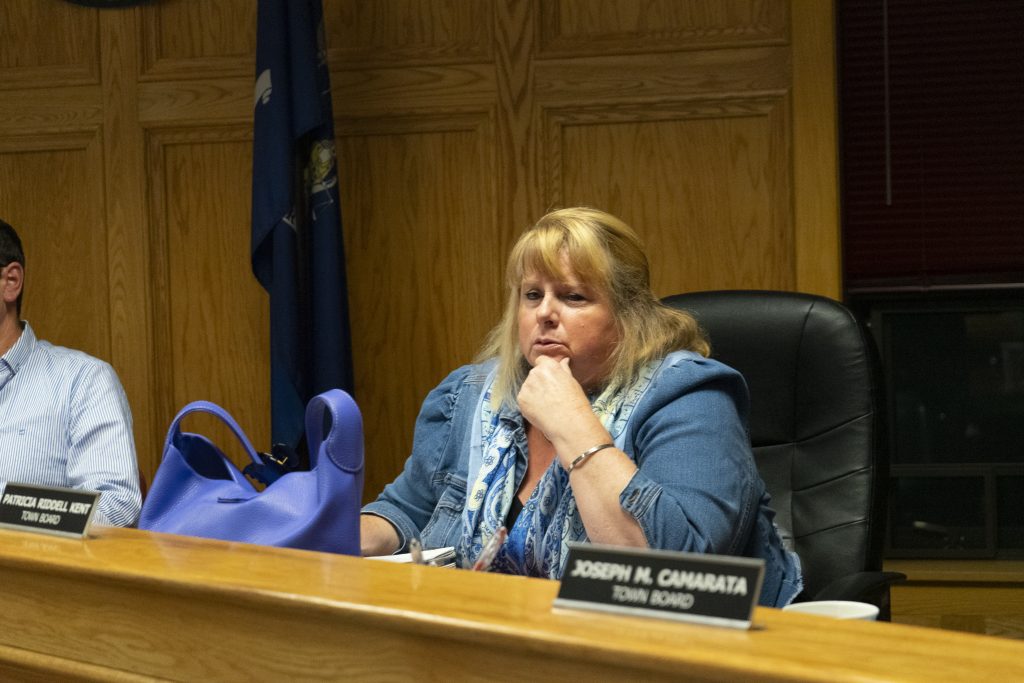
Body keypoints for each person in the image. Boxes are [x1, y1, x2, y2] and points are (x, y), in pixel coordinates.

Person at [360, 207, 802, 606]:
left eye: (573, 297)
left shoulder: (690, 396)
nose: (545, 314)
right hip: (500, 637)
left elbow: (675, 576)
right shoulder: (472, 394)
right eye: (532, 295)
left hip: (677, 650)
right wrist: (341, 532)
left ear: (629, 315)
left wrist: (572, 423)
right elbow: (410, 509)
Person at [0, 219, 141, 527]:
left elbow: (115, 508)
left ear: (11, 281)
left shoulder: (84, 381)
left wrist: (9, 510)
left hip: (29, 561)